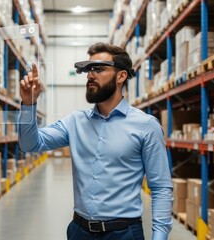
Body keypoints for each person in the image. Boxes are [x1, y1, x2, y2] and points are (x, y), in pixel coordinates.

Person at [18, 42, 172, 240]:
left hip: (124, 233)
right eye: (89, 69)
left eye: (98, 69)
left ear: (121, 76)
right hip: (79, 231)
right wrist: (28, 104)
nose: (90, 75)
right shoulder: (75, 122)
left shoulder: (146, 126)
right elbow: (30, 144)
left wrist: (159, 237)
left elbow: (160, 188)